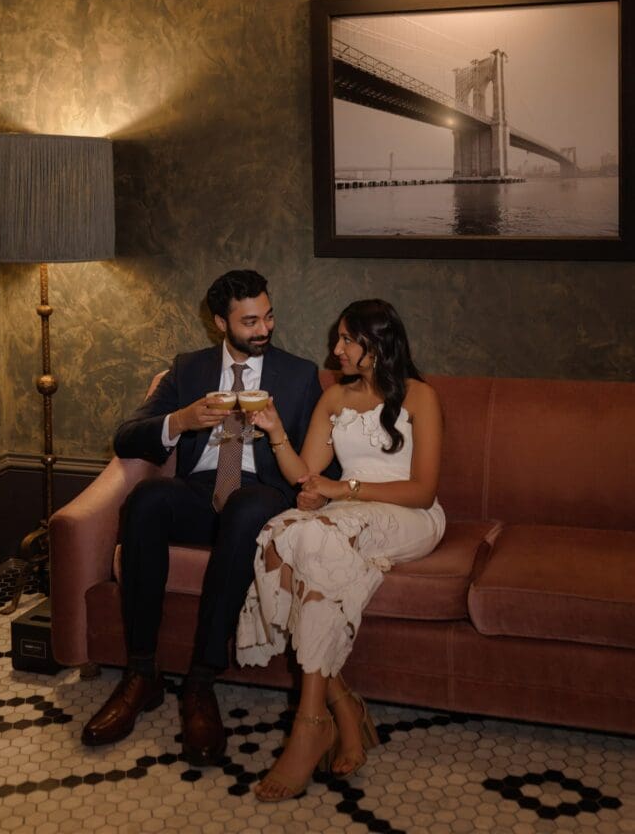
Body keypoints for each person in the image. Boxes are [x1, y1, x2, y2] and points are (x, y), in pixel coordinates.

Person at [81, 270, 324, 766]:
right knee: (148, 499)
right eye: (250, 320)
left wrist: (278, 438)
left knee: (245, 506)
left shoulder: (300, 375)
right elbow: (128, 436)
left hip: (261, 496)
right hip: (200, 491)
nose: (264, 329)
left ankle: (201, 680)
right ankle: (142, 672)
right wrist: (182, 421)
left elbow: (323, 464)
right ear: (220, 323)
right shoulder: (188, 369)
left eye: (269, 316)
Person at [236, 298, 445, 801]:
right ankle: (338, 703)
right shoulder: (333, 399)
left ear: (379, 343)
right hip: (344, 516)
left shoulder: (420, 396)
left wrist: (340, 490)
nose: (338, 349)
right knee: (278, 538)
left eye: (349, 339)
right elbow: (306, 473)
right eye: (340, 338)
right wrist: (277, 432)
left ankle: (312, 722)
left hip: (410, 517)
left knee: (314, 536)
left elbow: (423, 490)